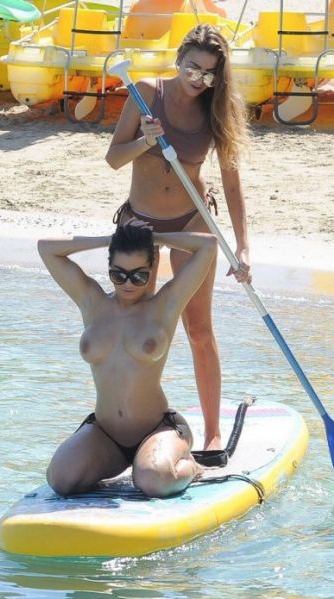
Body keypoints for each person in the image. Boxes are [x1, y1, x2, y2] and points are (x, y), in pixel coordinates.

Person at [105, 23, 251, 451]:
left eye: (208, 73)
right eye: (192, 68)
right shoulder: (145, 93)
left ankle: (213, 433)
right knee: (140, 328)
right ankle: (134, 420)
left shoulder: (216, 109)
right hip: (140, 224)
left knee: (199, 330)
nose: (198, 79)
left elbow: (231, 181)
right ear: (178, 60)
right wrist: (144, 141)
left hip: (192, 222)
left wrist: (243, 246)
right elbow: (114, 158)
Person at [38, 220, 217, 498]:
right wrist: (111, 239)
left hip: (156, 429)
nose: (128, 283)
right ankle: (134, 464)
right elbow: (46, 248)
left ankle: (190, 466)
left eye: (139, 275)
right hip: (105, 434)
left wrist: (153, 238)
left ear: (151, 269)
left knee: (154, 480)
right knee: (61, 480)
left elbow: (207, 245)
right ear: (109, 268)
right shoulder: (92, 301)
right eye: (118, 274)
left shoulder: (164, 305)